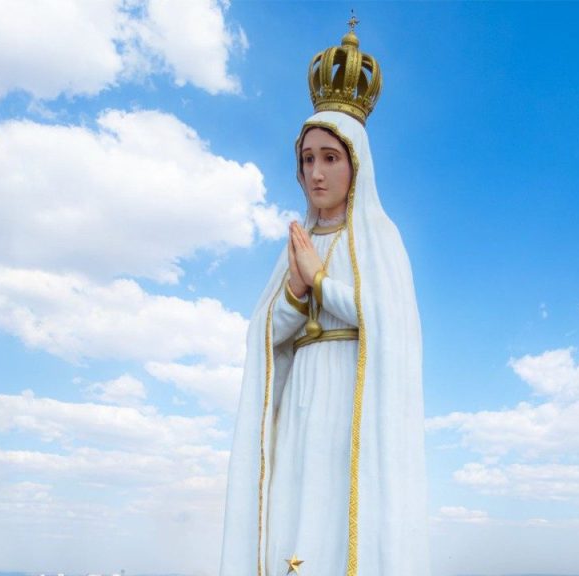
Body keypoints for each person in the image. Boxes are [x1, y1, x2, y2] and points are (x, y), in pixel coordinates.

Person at [220, 21, 428, 576]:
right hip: (301, 403)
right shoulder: (298, 244)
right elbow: (266, 336)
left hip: (351, 400)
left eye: (330, 158)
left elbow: (390, 323)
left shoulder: (381, 240)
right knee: (294, 516)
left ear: (356, 164)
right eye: (308, 159)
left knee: (340, 517)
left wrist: (320, 283)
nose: (316, 173)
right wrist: (293, 292)